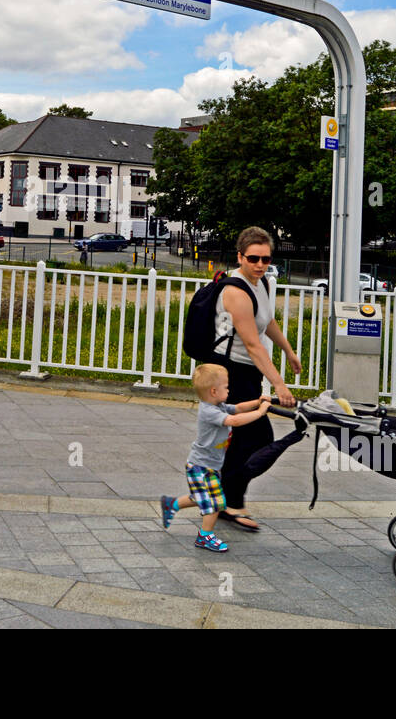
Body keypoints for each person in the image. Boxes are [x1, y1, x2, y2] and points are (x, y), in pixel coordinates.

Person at [212, 226, 302, 532]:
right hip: (231, 375)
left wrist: (288, 351)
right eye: (254, 258)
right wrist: (279, 384)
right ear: (240, 256)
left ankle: (223, 495)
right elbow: (251, 344)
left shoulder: (259, 283)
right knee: (257, 438)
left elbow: (268, 322)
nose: (260, 264)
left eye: (265, 258)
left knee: (244, 440)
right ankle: (231, 503)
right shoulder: (236, 291)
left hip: (247, 373)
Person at [160, 363, 271, 552]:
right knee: (214, 502)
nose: (229, 390)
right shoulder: (209, 411)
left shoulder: (219, 406)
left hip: (210, 466)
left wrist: (257, 402)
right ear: (213, 391)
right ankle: (205, 536)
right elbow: (234, 421)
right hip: (200, 466)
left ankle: (172, 504)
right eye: (226, 387)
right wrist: (260, 413)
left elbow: (237, 409)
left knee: (200, 497)